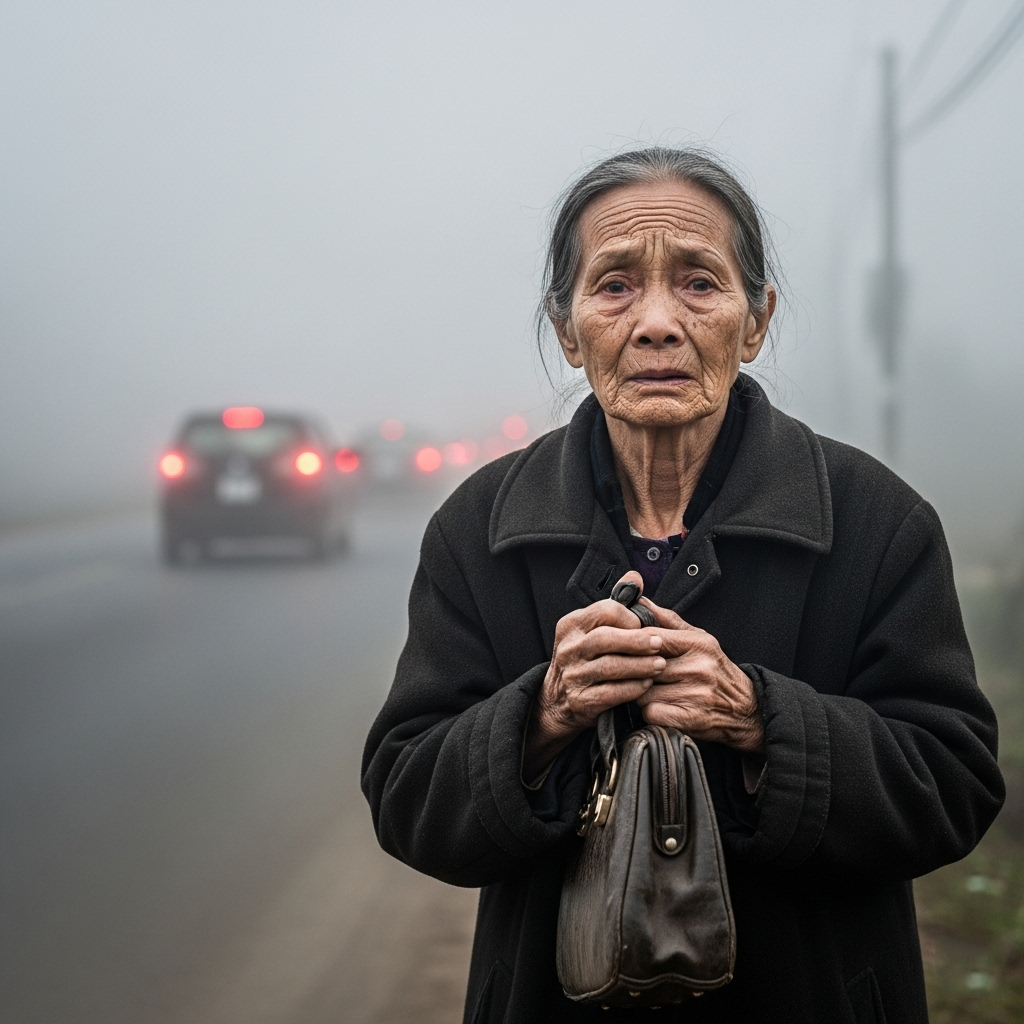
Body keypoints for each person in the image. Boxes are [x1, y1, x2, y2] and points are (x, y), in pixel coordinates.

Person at [361, 147, 1004, 1023]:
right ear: (567, 328)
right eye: (615, 285)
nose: (658, 322)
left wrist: (758, 717)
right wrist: (545, 713)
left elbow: (953, 786)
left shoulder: (877, 523)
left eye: (700, 283)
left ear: (756, 321)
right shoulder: (480, 530)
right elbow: (407, 798)